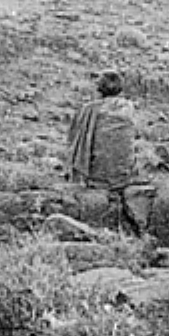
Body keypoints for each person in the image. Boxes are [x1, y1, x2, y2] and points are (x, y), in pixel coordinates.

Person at [65, 71, 143, 225]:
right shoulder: (129, 107)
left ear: (99, 89)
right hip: (124, 176)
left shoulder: (88, 110)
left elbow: (73, 139)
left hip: (97, 178)